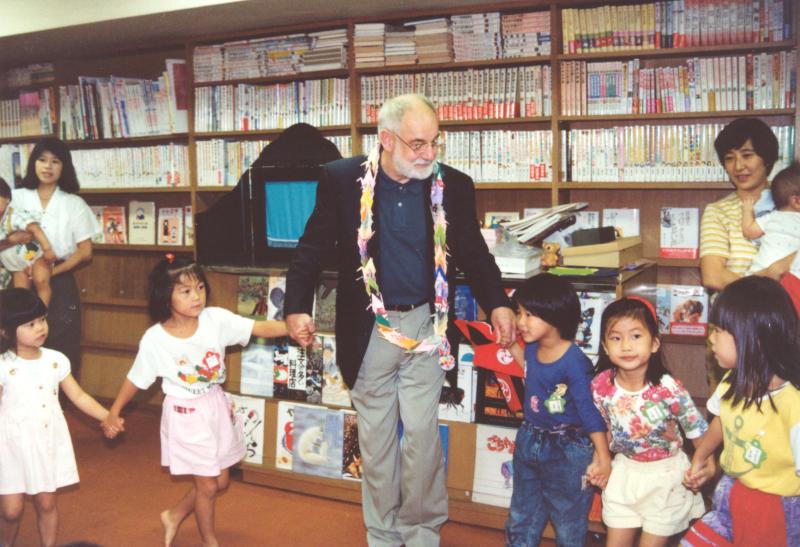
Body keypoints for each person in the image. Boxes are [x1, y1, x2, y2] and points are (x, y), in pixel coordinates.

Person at [284, 93, 515, 546]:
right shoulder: (341, 180)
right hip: (369, 328)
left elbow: (472, 249)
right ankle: (383, 533)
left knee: (423, 434)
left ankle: (422, 528)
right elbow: (311, 247)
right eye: (416, 144)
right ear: (386, 139)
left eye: (434, 142)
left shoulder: (454, 184)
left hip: (428, 325)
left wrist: (498, 301)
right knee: (377, 440)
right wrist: (296, 306)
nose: (428, 154)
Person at [101, 255, 288, 547]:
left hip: (215, 405)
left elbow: (257, 328)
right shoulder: (155, 339)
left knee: (220, 482)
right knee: (208, 485)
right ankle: (209, 541)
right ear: (166, 295)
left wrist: (293, 327)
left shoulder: (215, 320)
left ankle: (174, 515)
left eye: (200, 287)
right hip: (185, 414)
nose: (196, 296)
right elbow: (136, 379)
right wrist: (114, 412)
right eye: (185, 291)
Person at [683, 276, 800, 546]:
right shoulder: (732, 382)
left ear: (754, 339)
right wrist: (701, 455)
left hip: (777, 510)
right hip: (732, 492)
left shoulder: (793, 403)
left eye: (720, 330)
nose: (710, 338)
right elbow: (722, 421)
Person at [591, 297, 714, 546]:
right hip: (624, 473)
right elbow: (603, 430)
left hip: (666, 476)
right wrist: (599, 462)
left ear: (655, 343)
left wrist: (709, 466)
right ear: (604, 346)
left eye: (636, 336)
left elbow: (700, 434)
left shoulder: (669, 389)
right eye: (616, 338)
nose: (626, 346)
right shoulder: (600, 385)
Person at [504, 273, 611, 547]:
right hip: (530, 438)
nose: (520, 322)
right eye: (519, 313)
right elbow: (528, 367)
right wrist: (510, 343)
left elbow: (590, 412)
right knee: (521, 516)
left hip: (568, 449)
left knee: (568, 523)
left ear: (555, 315)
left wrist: (602, 456)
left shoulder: (575, 363)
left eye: (529, 315)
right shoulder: (531, 348)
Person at [0, 288, 113, 547]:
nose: (40, 327)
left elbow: (79, 396)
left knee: (47, 502)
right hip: (11, 444)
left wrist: (106, 416)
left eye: (42, 319)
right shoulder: (4, 366)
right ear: (5, 331)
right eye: (30, 324)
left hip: (45, 440)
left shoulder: (55, 360)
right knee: (11, 511)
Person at [699, 118, 789, 388]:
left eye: (747, 155)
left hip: (782, 324)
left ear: (767, 158)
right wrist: (769, 276)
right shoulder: (717, 211)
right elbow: (713, 275)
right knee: (727, 412)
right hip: (730, 330)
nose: (739, 167)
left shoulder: (790, 205)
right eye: (729, 158)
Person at [13, 137, 100, 380]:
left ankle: (58, 403)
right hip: (19, 272)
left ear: (65, 167)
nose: (48, 166)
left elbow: (85, 252)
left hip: (58, 278)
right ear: (33, 164)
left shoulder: (74, 203)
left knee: (58, 340)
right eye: (42, 160)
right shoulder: (16, 196)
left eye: (55, 161)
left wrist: (51, 272)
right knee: (15, 339)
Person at [742, 161, 800, 313]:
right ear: (796, 201)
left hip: (758, 275)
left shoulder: (771, 217)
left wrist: (748, 211)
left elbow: (749, 231)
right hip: (793, 280)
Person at [0, 177, 57, 305]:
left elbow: (35, 228)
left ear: (7, 199)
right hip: (16, 266)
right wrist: (10, 240)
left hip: (37, 258)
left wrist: (47, 249)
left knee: (41, 281)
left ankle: (42, 313)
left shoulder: (13, 216)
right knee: (20, 293)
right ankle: (25, 319)